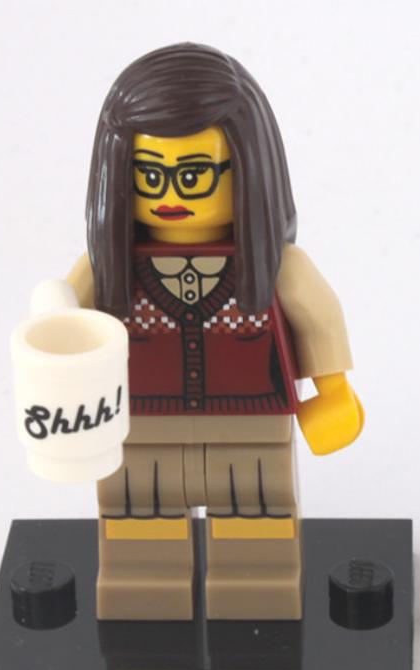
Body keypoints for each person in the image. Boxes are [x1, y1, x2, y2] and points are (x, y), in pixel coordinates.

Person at [64, 43, 362, 620]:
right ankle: (141, 592)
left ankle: (258, 592)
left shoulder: (276, 267)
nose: (169, 195)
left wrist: (335, 392)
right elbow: (61, 317)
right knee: (138, 511)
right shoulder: (107, 271)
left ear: (248, 167)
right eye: (149, 176)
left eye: (194, 175)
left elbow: (318, 315)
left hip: (251, 419)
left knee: (255, 509)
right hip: (139, 421)